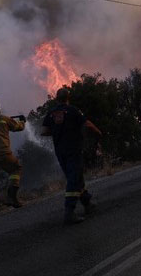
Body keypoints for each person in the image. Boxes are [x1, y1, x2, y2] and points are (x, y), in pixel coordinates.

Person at [42, 88, 103, 225]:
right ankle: (69, 212)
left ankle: (87, 203)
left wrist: (57, 131)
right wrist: (98, 132)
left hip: (60, 151)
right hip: (73, 149)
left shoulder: (51, 113)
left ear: (57, 98)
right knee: (73, 178)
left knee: (76, 177)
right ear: (68, 98)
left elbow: (44, 131)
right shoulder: (73, 110)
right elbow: (87, 124)